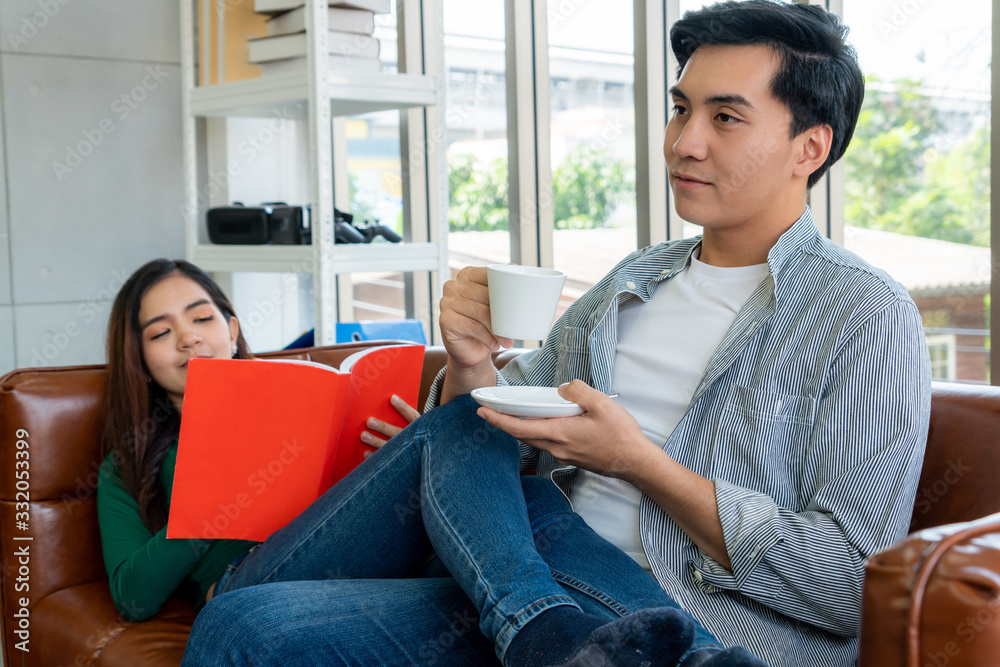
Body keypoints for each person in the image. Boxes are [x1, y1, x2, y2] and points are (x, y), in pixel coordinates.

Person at [184, 1, 929, 665]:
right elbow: (503, 419)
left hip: (675, 610)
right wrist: (473, 361)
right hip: (533, 582)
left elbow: (847, 579)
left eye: (725, 118)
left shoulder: (863, 314)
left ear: (810, 147)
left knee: (244, 619)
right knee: (454, 439)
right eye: (680, 109)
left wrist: (640, 462)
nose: (684, 142)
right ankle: (546, 637)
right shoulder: (637, 278)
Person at [96, 258, 420, 623]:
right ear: (139, 360)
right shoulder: (128, 461)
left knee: (436, 439)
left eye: (201, 318)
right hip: (251, 586)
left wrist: (406, 458)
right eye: (160, 333)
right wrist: (202, 510)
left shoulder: (299, 402)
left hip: (367, 561)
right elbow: (133, 597)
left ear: (232, 332)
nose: (188, 337)